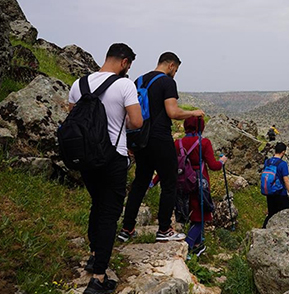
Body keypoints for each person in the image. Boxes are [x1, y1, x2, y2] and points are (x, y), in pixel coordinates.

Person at [68, 43, 143, 294]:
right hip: (113, 158)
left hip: (87, 158)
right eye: (129, 65)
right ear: (124, 62)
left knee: (97, 205)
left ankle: (93, 255)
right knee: (110, 214)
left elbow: (73, 119)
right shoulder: (124, 85)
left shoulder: (78, 84)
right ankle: (98, 278)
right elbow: (136, 121)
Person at [119, 52, 205, 242]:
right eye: (176, 70)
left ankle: (127, 228)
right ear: (172, 66)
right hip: (160, 138)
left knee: (140, 183)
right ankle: (164, 229)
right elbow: (172, 112)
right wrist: (194, 113)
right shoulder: (167, 82)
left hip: (140, 139)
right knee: (169, 182)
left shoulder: (139, 81)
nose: (175, 73)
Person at [177, 117, 227, 257]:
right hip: (200, 183)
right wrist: (222, 161)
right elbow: (213, 166)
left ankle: (197, 246)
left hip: (182, 182)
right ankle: (187, 247)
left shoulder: (178, 143)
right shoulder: (204, 142)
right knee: (202, 215)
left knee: (193, 213)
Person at [262, 142, 289, 228]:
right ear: (283, 152)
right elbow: (286, 180)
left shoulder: (267, 162)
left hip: (270, 193)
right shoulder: (282, 164)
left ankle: (265, 229)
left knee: (271, 214)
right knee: (285, 215)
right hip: (281, 194)